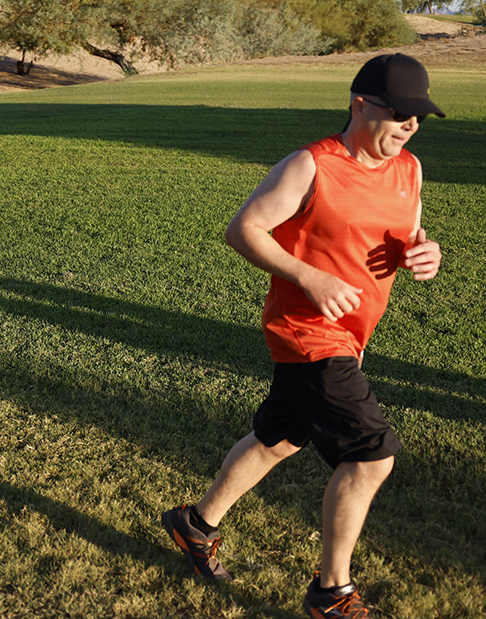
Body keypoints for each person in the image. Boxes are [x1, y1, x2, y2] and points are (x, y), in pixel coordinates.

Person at [161, 53, 444, 618]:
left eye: (418, 116)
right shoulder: (312, 165)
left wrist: (425, 249)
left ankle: (195, 524)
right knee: (370, 456)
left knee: (280, 437)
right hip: (307, 332)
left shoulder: (409, 168)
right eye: (400, 113)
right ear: (360, 105)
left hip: (352, 334)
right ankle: (331, 594)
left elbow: (409, 229)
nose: (411, 125)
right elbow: (244, 229)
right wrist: (306, 275)